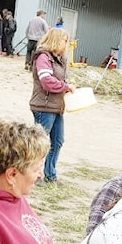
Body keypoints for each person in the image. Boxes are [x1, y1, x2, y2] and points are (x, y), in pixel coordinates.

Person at [30, 28, 73, 183]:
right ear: (56, 40)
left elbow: (61, 80)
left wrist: (67, 87)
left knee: (57, 141)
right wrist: (65, 87)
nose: (66, 45)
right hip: (43, 106)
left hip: (56, 106)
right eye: (64, 41)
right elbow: (46, 81)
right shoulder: (43, 57)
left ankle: (50, 174)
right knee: (41, 143)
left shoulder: (61, 59)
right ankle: (35, 175)